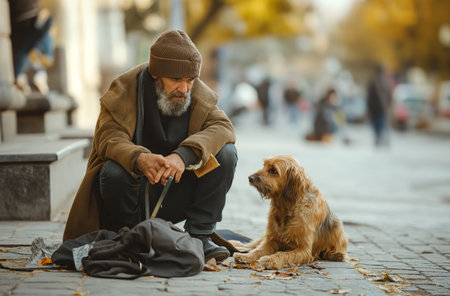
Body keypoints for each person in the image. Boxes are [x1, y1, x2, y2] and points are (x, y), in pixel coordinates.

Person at [63, 30, 238, 263]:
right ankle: (127, 238)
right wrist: (139, 158)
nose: (184, 89)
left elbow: (224, 129)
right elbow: (108, 137)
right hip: (134, 193)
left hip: (177, 190)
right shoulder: (124, 90)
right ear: (156, 74)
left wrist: (183, 156)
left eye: (189, 81)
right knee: (112, 170)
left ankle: (199, 237)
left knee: (226, 154)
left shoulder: (196, 92)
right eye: (176, 80)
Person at [366, 65, 392, 146]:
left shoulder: (372, 82)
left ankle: (379, 138)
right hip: (382, 108)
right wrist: (388, 105)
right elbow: (389, 95)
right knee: (382, 124)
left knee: (377, 125)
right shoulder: (386, 82)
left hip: (374, 108)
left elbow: (369, 96)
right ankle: (382, 138)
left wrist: (369, 107)